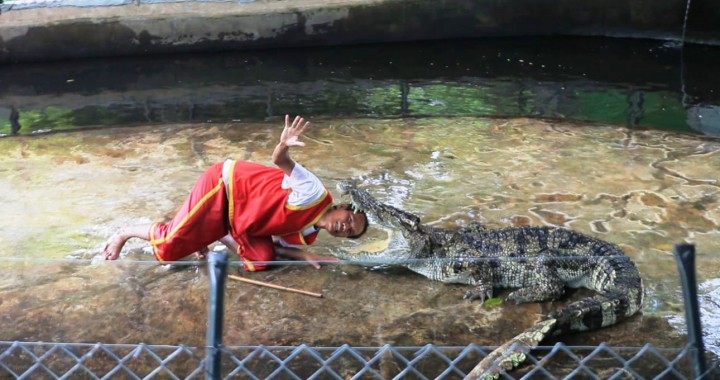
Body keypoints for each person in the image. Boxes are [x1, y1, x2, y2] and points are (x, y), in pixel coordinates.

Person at [102, 115, 368, 271]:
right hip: (225, 187)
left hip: (238, 220)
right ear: (342, 207)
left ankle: (214, 231)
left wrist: (306, 256)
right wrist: (284, 144)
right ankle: (125, 231)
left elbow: (276, 247)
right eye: (351, 219)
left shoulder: (308, 235)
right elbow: (280, 161)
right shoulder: (314, 192)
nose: (346, 226)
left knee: (262, 261)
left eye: (350, 232)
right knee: (171, 246)